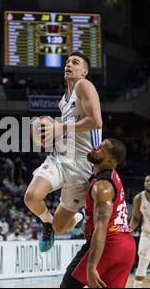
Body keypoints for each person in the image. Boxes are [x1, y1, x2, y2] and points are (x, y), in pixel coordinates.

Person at [24, 51, 103, 252]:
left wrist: (61, 127)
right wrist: (47, 132)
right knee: (31, 197)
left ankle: (78, 217)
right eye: (67, 62)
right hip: (60, 158)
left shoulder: (84, 85)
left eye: (75, 62)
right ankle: (46, 223)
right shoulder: (63, 100)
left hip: (82, 165)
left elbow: (96, 121)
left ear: (84, 72)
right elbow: (67, 131)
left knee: (61, 227)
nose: (69, 64)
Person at [60, 138, 135, 288]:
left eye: (102, 148)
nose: (95, 148)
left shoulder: (102, 187)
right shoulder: (112, 174)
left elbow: (101, 226)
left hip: (109, 243)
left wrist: (91, 266)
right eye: (99, 144)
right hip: (127, 246)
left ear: (110, 161)